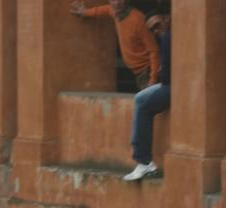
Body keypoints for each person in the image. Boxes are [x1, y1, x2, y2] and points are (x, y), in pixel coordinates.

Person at [123, 11, 171, 181]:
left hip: (175, 87)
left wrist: (159, 73)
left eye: (157, 25)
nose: (156, 30)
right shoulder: (165, 37)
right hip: (168, 84)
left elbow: (167, 75)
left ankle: (144, 162)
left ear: (167, 18)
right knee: (139, 98)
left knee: (144, 107)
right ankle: (143, 162)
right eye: (152, 29)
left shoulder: (170, 37)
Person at [71, 0, 160, 91]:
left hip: (147, 70)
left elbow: (154, 50)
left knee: (148, 102)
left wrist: (153, 79)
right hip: (137, 71)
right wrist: (84, 12)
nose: (117, 3)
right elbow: (101, 10)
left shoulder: (138, 19)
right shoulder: (115, 11)